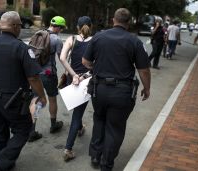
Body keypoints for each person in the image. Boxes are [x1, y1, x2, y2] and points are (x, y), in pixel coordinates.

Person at [0, 11, 47, 171]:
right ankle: (2, 164)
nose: (20, 28)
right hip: (12, 101)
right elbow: (33, 78)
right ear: (15, 26)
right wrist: (42, 96)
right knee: (25, 129)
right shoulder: (22, 48)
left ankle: (5, 162)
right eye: (20, 25)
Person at [82, 8, 151, 171]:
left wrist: (97, 68)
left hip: (99, 90)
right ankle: (107, 164)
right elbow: (144, 70)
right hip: (122, 92)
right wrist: (147, 88)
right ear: (129, 22)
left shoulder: (99, 36)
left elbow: (85, 61)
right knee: (115, 127)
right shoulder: (134, 41)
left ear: (113, 20)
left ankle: (95, 155)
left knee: (99, 120)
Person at [28, 16, 66, 142]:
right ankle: (53, 124)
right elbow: (62, 59)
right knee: (52, 98)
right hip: (49, 73)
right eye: (61, 28)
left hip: (35, 74)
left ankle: (32, 130)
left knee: (36, 100)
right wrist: (68, 72)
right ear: (59, 27)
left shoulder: (37, 35)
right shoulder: (56, 40)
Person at [59, 16, 93, 161]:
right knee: (77, 115)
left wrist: (73, 75)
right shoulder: (94, 41)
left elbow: (62, 58)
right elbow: (95, 63)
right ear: (90, 26)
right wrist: (83, 76)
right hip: (84, 82)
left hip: (70, 81)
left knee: (75, 110)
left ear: (77, 27)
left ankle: (80, 128)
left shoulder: (71, 39)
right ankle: (68, 149)